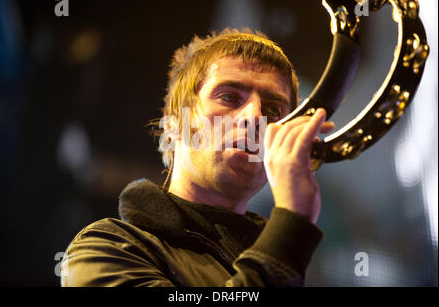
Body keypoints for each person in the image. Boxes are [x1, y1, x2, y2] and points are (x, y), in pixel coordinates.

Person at [60, 28, 335, 287]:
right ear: (173, 126)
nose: (254, 118)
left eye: (273, 111)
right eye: (229, 97)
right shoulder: (106, 249)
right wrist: (289, 224)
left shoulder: (283, 257)